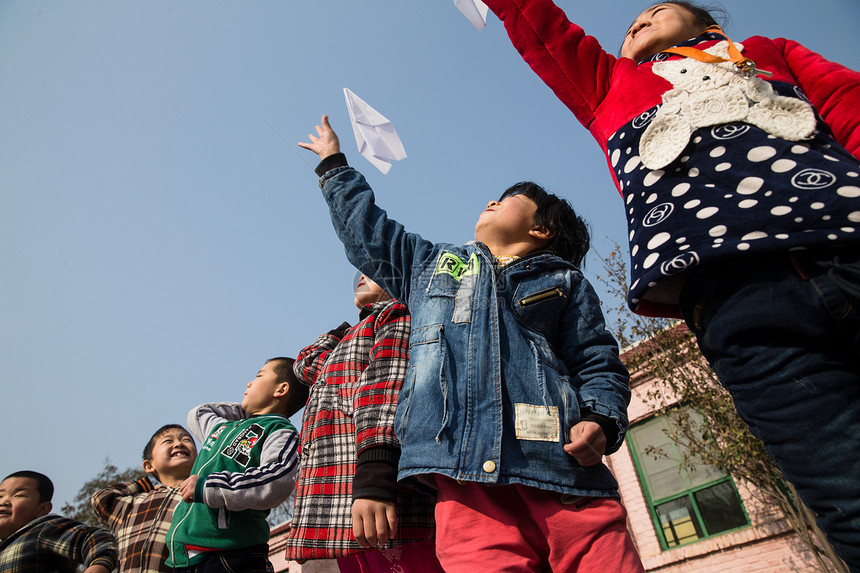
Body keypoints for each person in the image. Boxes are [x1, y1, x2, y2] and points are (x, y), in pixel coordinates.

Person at [478, 0, 860, 567]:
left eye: (656, 10)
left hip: (846, 246)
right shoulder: (607, 85)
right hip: (741, 308)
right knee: (847, 500)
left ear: (707, 23)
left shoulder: (765, 54)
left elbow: (848, 110)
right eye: (629, 23)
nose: (636, 22)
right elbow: (542, 28)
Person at [298, 116, 643, 572]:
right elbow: (370, 236)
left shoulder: (564, 282)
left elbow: (596, 360)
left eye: (506, 200)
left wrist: (601, 419)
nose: (489, 201)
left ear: (542, 230)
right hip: (459, 478)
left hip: (560, 468)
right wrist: (334, 166)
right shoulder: (432, 266)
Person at [285, 274, 443, 573]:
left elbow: (386, 391)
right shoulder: (349, 338)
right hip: (342, 500)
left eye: (370, 272)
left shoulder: (398, 313)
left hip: (380, 490)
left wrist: (376, 479)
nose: (359, 276)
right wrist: (340, 333)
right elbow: (305, 365)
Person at [165, 357, 306, 572]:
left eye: (259, 376)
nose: (249, 383)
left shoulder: (280, 431)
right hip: (185, 556)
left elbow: (276, 479)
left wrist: (209, 486)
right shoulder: (224, 428)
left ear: (281, 389)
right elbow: (198, 413)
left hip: (232, 554)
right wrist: (244, 411)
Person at [90, 424, 198, 572]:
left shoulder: (202, 498)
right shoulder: (133, 503)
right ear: (149, 465)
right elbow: (101, 498)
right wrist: (143, 485)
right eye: (168, 441)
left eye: (186, 440)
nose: (179, 443)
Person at [0, 470, 117, 573]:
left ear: (42, 509)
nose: (4, 502)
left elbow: (93, 537)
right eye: (0, 496)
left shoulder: (43, 530)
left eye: (18, 495)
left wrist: (100, 564)